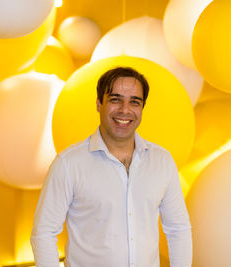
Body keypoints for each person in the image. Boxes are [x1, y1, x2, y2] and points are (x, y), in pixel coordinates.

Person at [31, 67, 192, 267]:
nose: (125, 110)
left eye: (135, 101)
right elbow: (44, 232)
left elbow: (178, 229)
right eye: (115, 99)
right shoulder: (68, 164)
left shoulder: (162, 161)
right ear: (99, 104)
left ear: (142, 108)